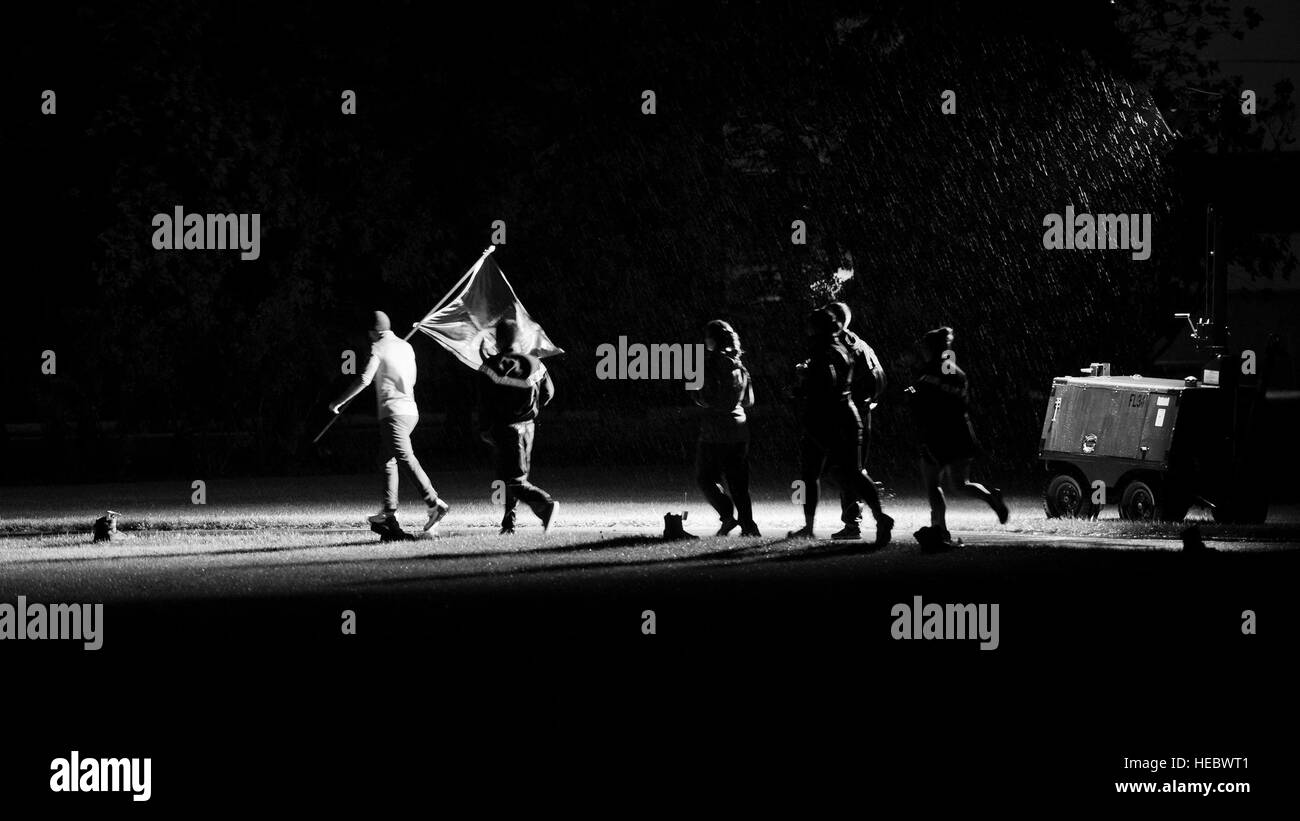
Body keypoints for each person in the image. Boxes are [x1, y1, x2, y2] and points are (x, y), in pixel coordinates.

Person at [330, 311, 450, 537]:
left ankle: (434, 503)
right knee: (386, 460)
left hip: (393, 414)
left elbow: (365, 379)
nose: (368, 338)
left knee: (403, 457)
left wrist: (339, 401)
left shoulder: (378, 347)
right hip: (411, 412)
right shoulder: (406, 346)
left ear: (374, 332)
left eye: (369, 334)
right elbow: (411, 379)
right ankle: (388, 511)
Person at [788, 309, 894, 544]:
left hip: (828, 419)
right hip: (847, 415)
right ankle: (877, 516)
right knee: (844, 471)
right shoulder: (845, 347)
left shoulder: (824, 351)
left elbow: (825, 384)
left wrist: (803, 384)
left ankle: (815, 525)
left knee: (822, 472)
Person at [905, 326, 1009, 549]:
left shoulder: (927, 376)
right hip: (961, 434)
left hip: (937, 436)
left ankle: (940, 530)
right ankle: (991, 497)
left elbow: (920, 404)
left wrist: (910, 392)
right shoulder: (957, 373)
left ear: (930, 349)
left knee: (933, 485)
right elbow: (960, 404)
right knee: (961, 484)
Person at [478, 319, 559, 534]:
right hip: (528, 427)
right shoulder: (536, 363)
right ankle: (508, 524)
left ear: (499, 339)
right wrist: (531, 406)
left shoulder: (491, 366)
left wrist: (484, 429)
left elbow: (485, 402)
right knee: (510, 478)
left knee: (512, 481)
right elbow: (549, 393)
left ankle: (545, 504)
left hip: (503, 429)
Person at [694, 320, 760, 537]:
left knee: (705, 477)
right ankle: (748, 525)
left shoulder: (710, 364)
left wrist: (697, 393)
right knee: (739, 482)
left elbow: (706, 398)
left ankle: (727, 515)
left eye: (707, 337)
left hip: (715, 430)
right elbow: (749, 400)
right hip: (739, 430)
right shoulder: (739, 365)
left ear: (713, 339)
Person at [825, 301, 887, 528]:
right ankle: (861, 507)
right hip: (860, 412)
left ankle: (858, 513)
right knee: (850, 468)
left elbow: (833, 383)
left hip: (847, 415)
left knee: (840, 470)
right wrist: (870, 402)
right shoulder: (859, 343)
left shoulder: (838, 346)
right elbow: (879, 376)